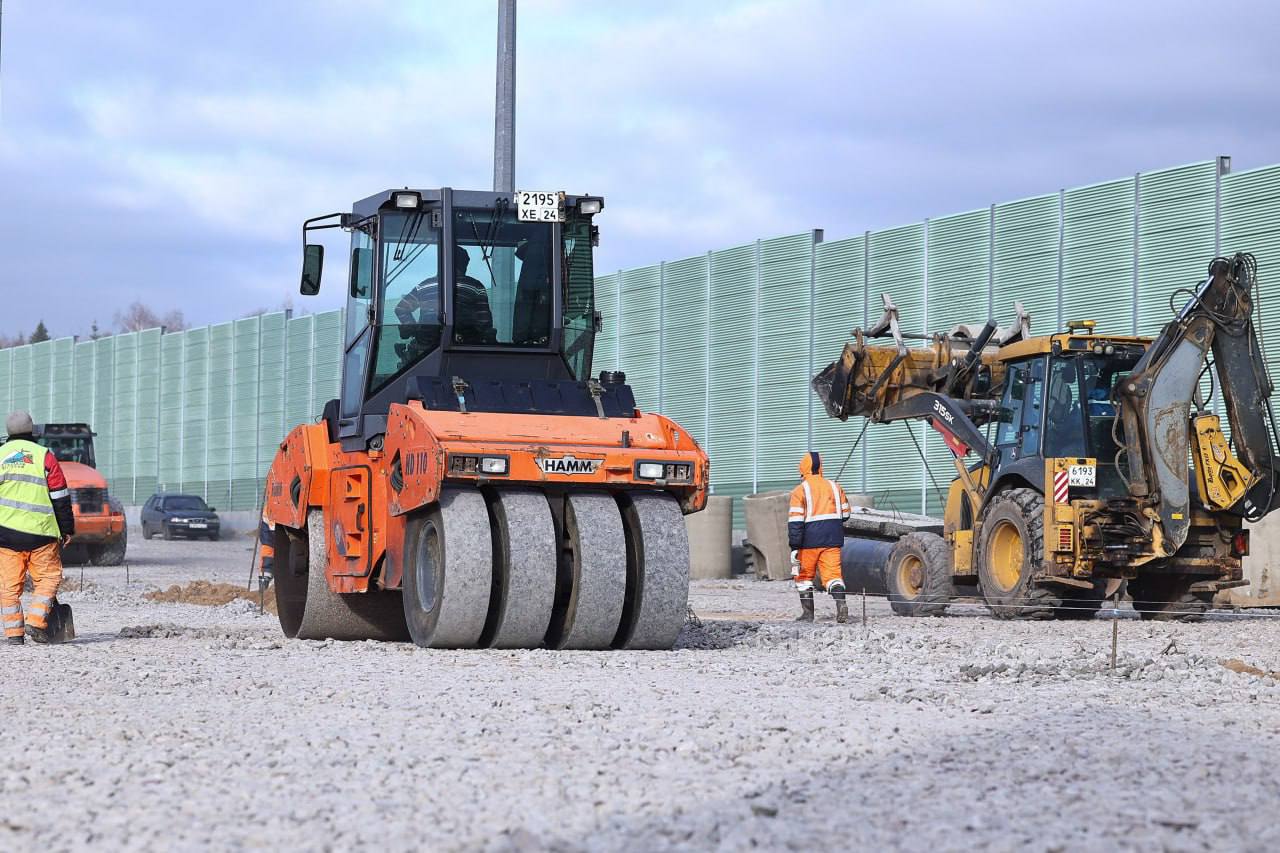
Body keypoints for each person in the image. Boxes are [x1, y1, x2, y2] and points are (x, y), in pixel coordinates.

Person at [0, 411, 75, 645]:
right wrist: (66, 529)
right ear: (32, 430)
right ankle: (36, 621)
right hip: (42, 534)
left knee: (9, 587)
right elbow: (60, 496)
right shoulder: (45, 457)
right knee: (49, 578)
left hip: (6, 535)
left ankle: (14, 635)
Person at [787, 451, 851, 623]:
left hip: (809, 542)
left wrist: (794, 545)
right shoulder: (835, 486)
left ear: (803, 469)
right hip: (832, 539)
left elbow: (795, 522)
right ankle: (841, 604)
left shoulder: (800, 491)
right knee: (833, 576)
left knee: (804, 577)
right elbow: (845, 514)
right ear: (821, 467)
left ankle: (808, 614)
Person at [395, 244, 496, 346]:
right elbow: (484, 321)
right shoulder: (475, 286)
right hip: (465, 348)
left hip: (427, 349)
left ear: (442, 263)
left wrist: (413, 328)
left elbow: (401, 308)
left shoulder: (423, 286)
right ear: (464, 265)